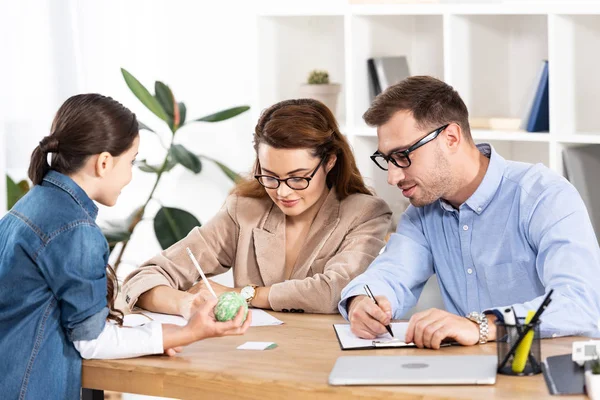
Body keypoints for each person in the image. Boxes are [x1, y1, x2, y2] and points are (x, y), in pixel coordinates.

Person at [0, 94, 251, 400]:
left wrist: (157, 337)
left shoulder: (28, 206)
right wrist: (191, 331)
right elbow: (92, 342)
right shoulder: (76, 231)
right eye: (131, 162)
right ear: (104, 162)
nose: (131, 175)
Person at [339, 76, 600, 349]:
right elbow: (391, 274)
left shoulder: (543, 196)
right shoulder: (422, 213)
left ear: (451, 138)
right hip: (466, 374)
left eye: (403, 155)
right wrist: (362, 302)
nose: (392, 177)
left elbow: (579, 302)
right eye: (387, 160)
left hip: (546, 376)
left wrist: (481, 325)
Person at [122, 98, 392, 317]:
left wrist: (243, 294)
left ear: (330, 162)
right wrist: (185, 305)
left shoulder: (365, 213)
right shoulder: (244, 210)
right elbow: (143, 278)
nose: (283, 192)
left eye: (298, 177)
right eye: (270, 176)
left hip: (323, 358)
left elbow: (335, 292)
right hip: (250, 358)